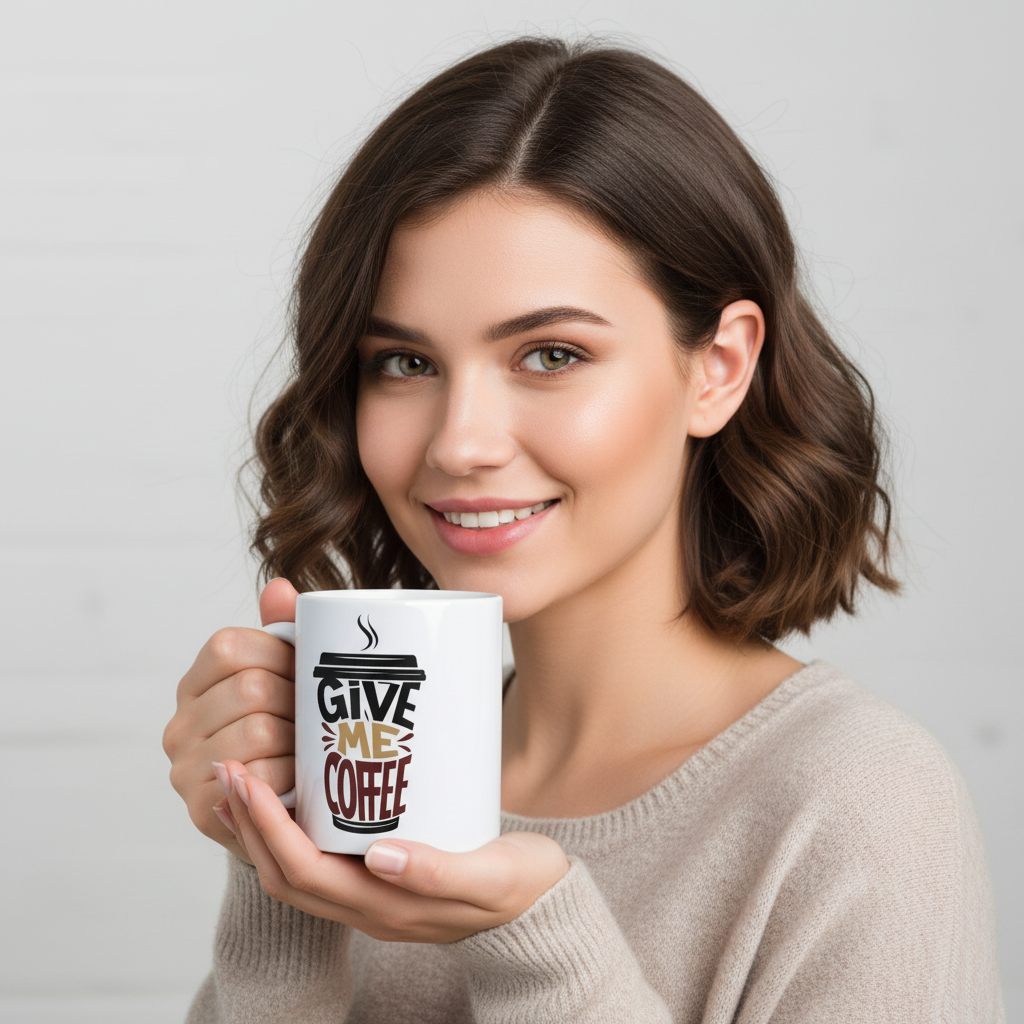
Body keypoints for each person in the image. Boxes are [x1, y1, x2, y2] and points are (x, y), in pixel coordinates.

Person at [162, 36, 1004, 1022]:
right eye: (404, 363)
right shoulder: (370, 777)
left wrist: (542, 948)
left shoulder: (858, 805)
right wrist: (280, 874)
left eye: (551, 354)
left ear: (719, 368)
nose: (460, 443)